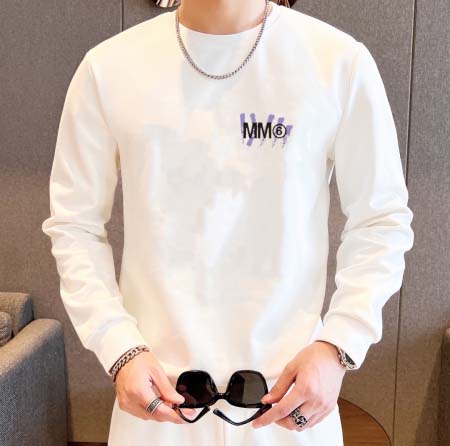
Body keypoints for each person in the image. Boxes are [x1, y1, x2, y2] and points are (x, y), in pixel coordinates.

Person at [41, 0, 415, 445]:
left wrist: (338, 346)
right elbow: (75, 225)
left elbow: (381, 220)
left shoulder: (338, 62)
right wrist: (118, 347)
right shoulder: (108, 68)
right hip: (158, 401)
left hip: (288, 402)